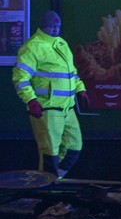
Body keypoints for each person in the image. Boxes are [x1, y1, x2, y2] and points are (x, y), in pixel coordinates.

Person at [12, 10, 88, 178]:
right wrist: (31, 100)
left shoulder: (61, 43)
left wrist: (80, 89)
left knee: (74, 147)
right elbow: (20, 77)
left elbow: (71, 73)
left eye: (57, 26)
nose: (55, 29)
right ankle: (48, 185)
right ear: (42, 26)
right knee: (49, 153)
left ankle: (54, 179)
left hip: (67, 108)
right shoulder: (32, 46)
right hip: (46, 108)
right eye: (51, 26)